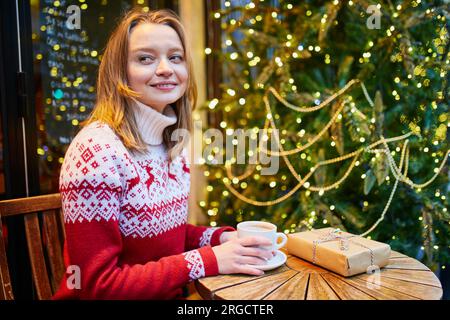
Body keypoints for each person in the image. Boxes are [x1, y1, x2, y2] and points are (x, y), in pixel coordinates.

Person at [53, 8, 273, 300]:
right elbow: (96, 286)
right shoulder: (96, 153)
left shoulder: (172, 144)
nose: (166, 68)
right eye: (146, 58)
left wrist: (222, 238)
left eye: (175, 57)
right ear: (119, 72)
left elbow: (167, 238)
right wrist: (210, 260)